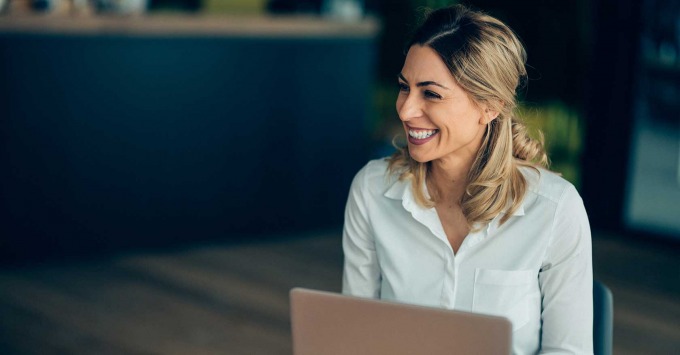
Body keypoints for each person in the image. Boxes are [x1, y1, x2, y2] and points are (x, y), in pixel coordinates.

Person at [341, 4, 593, 354]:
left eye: (430, 93)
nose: (406, 109)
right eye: (404, 87)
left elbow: (569, 350)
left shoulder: (554, 210)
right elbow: (355, 334)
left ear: (490, 105)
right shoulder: (371, 190)